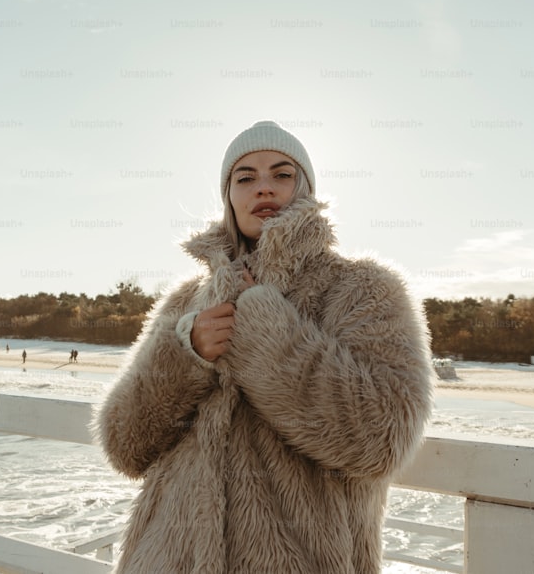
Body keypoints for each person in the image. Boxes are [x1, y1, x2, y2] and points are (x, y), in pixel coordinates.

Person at [96, 121, 434, 573]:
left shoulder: (363, 287)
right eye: (246, 178)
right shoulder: (186, 301)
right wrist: (185, 354)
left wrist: (262, 325)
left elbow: (382, 437)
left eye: (282, 174)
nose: (264, 189)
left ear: (307, 189)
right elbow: (125, 445)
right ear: (228, 198)